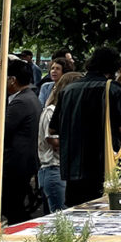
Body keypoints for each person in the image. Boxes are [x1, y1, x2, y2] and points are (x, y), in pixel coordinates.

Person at [51, 47, 121, 207]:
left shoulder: (68, 90)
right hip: (104, 164)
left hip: (73, 165)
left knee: (76, 212)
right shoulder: (115, 90)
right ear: (114, 67)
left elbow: (53, 128)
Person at [0, 58, 42, 221]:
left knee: (11, 206)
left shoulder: (21, 101)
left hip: (17, 161)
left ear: (12, 80)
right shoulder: (29, 96)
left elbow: (3, 130)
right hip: (24, 159)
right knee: (14, 204)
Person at [38, 72, 82, 213]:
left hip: (65, 170)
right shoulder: (51, 111)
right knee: (61, 216)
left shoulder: (70, 111)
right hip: (54, 169)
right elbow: (54, 141)